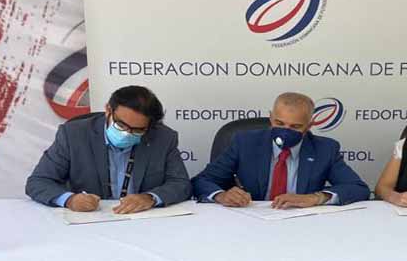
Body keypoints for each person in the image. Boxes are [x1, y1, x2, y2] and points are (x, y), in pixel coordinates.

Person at [26, 85, 191, 213]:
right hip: (88, 221)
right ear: (108, 110)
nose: (127, 133)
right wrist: (69, 200)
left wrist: (151, 198)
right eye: (121, 125)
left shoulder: (163, 138)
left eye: (138, 130)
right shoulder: (73, 134)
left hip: (141, 220)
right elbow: (38, 182)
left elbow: (181, 184)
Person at [192, 92, 370, 208]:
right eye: (279, 123)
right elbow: (202, 180)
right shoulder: (245, 142)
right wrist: (221, 195)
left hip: (303, 223)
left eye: (295, 126)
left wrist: (315, 198)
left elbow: (358, 188)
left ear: (309, 126)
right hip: (250, 221)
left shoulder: (325, 149)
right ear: (271, 119)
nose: (285, 131)